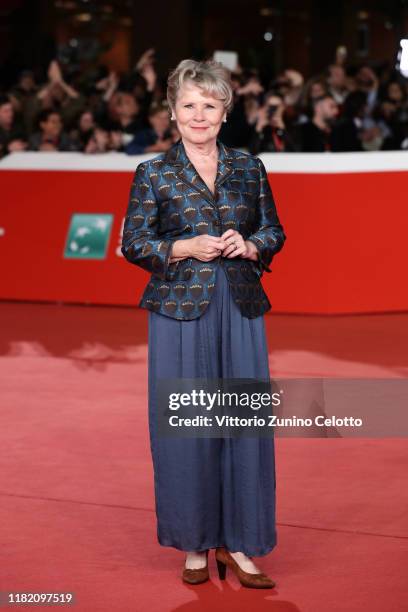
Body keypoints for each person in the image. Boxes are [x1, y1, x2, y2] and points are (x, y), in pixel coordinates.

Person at [121, 59, 286, 588]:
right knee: (186, 430)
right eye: (188, 105)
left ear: (224, 112)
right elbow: (135, 243)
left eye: (209, 105)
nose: (198, 115)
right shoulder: (153, 173)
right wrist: (180, 246)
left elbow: (274, 229)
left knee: (243, 426)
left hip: (240, 306)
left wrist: (252, 243)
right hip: (179, 311)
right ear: (172, 111)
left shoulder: (249, 167)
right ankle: (195, 543)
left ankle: (241, 543)